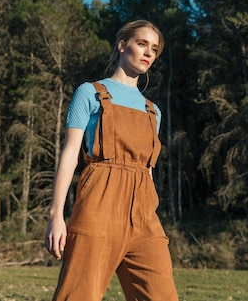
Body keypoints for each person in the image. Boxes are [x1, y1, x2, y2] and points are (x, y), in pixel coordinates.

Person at [45, 20, 179, 301]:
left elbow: (149, 170)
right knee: (78, 296)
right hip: (98, 207)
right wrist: (57, 215)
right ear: (122, 45)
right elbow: (70, 154)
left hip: (144, 216)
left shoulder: (153, 111)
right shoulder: (90, 92)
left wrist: (150, 208)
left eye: (154, 49)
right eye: (141, 44)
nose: (148, 53)